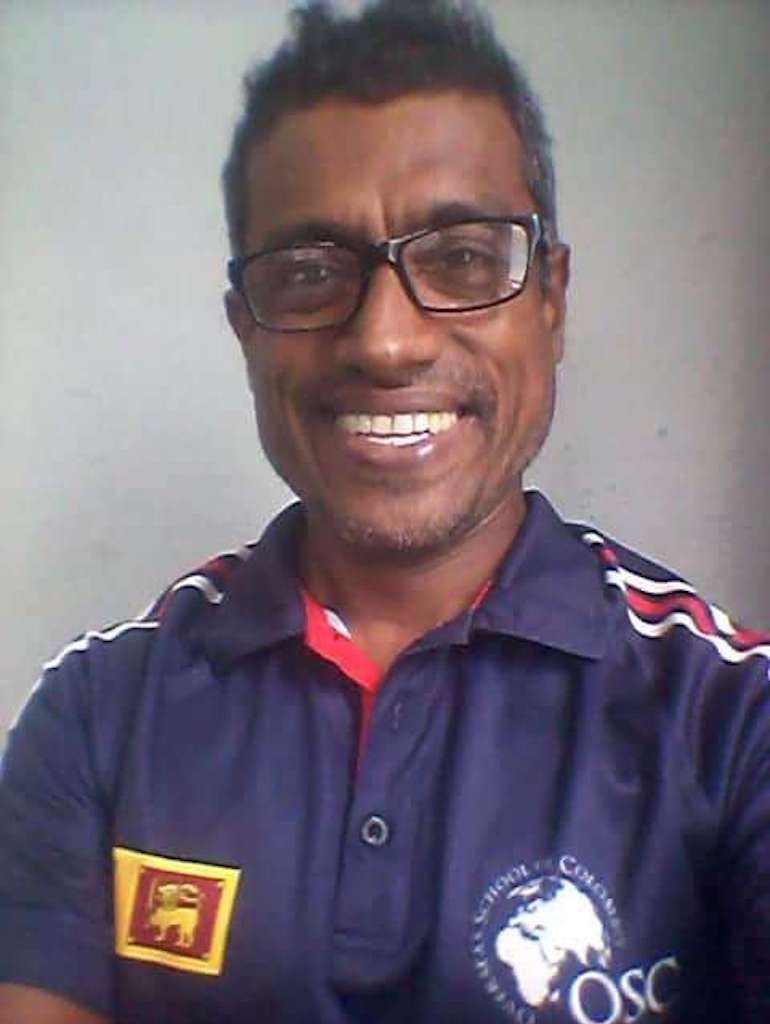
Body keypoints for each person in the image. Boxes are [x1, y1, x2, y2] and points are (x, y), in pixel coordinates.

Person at [1, 1, 768, 1021]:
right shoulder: (99, 714)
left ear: (550, 300)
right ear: (245, 329)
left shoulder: (729, 716)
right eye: (310, 273)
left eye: (462, 258)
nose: (385, 341)